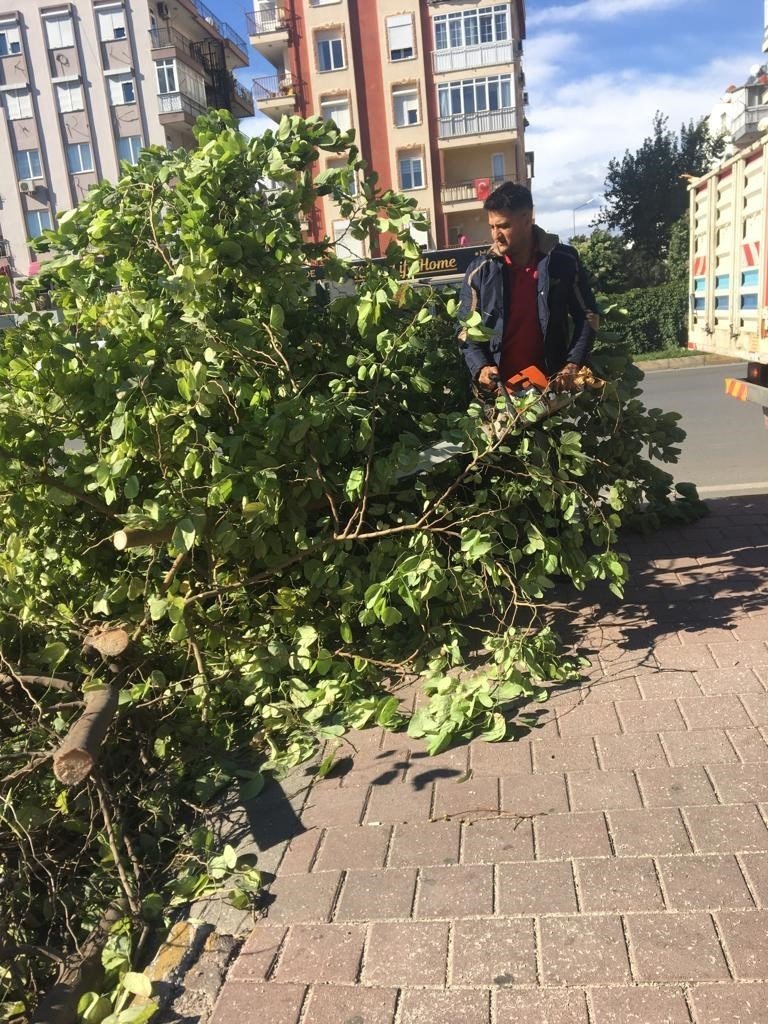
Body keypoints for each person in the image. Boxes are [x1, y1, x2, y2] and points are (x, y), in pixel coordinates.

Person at [457, 182, 597, 395]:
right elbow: (465, 331)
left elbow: (587, 316)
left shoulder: (563, 261)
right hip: (500, 397)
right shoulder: (479, 272)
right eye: (492, 227)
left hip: (551, 392)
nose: (496, 235)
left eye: (503, 226)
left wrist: (572, 364)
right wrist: (482, 368)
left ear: (527, 219)